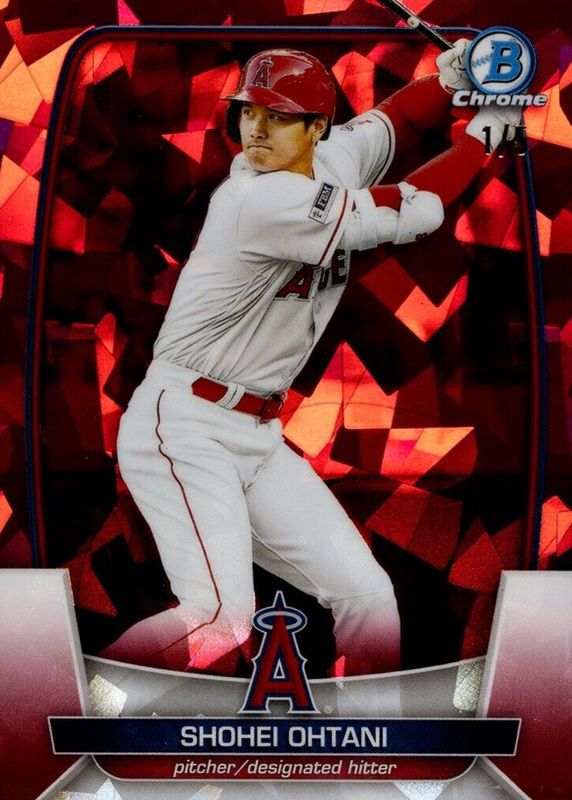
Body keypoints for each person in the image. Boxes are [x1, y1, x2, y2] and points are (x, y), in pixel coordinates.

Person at [102, 44, 519, 675]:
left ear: (317, 127)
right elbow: (416, 208)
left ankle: (375, 727)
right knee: (219, 619)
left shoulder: (331, 160)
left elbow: (397, 121)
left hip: (255, 434)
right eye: (250, 112)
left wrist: (453, 76)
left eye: (279, 116)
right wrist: (479, 141)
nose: (257, 129)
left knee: (367, 594)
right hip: (184, 424)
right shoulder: (254, 200)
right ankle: (72, 703)